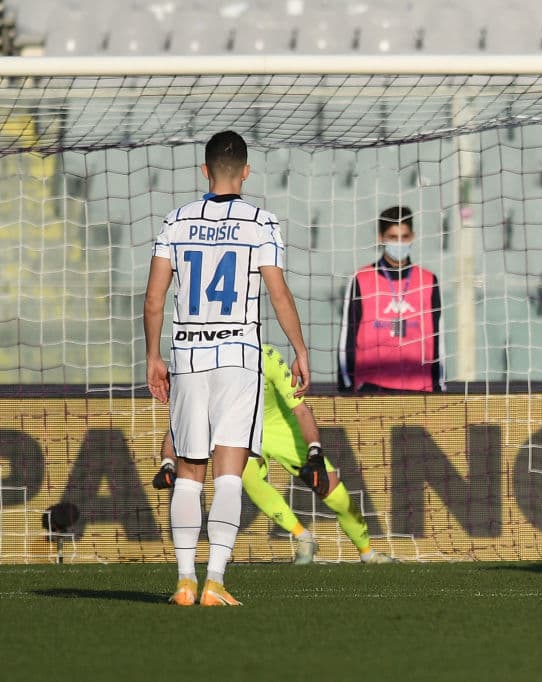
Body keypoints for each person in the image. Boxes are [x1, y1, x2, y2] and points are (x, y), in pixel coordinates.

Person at [145, 130, 310, 607]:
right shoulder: (262, 222)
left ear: (204, 171)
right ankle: (215, 581)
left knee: (189, 469)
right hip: (238, 356)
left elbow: (155, 297)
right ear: (245, 172)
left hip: (188, 355)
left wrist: (154, 356)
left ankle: (183, 581)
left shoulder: (175, 221)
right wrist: (298, 347)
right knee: (231, 472)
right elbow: (277, 293)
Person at [152, 344, 396, 566]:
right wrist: (167, 463)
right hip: (243, 432)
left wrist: (315, 453)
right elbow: (180, 421)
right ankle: (303, 537)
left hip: (282, 429)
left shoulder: (266, 358)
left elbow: (300, 410)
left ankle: (367, 552)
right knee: (246, 477)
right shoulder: (204, 365)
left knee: (336, 496)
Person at [338, 206, 445, 393]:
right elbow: (347, 338)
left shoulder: (428, 280)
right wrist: (346, 387)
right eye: (393, 238)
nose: (399, 243)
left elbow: (438, 339)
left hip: (419, 387)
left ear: (412, 237)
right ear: (381, 238)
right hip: (372, 387)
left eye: (404, 237)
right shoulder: (361, 279)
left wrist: (439, 385)